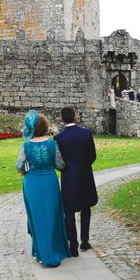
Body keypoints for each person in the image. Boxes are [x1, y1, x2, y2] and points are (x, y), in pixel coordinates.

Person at [16, 110, 70, 267]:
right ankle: (54, 251)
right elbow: (60, 165)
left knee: (37, 216)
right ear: (45, 127)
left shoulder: (25, 146)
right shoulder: (52, 144)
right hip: (49, 181)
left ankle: (41, 253)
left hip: (32, 182)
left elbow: (19, 167)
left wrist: (28, 170)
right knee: (53, 215)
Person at [54, 106, 98, 257]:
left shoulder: (58, 138)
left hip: (68, 176)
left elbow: (58, 162)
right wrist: (83, 165)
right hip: (85, 174)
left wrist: (66, 169)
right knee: (86, 208)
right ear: (75, 117)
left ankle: (73, 246)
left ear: (62, 119)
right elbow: (92, 156)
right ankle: (84, 241)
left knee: (69, 211)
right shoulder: (86, 134)